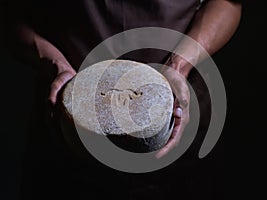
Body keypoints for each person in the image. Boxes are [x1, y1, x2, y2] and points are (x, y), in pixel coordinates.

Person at [3, 0, 242, 199]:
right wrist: (55, 64)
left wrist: (178, 66)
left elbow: (228, 3)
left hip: (177, 123)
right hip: (68, 131)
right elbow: (11, 14)